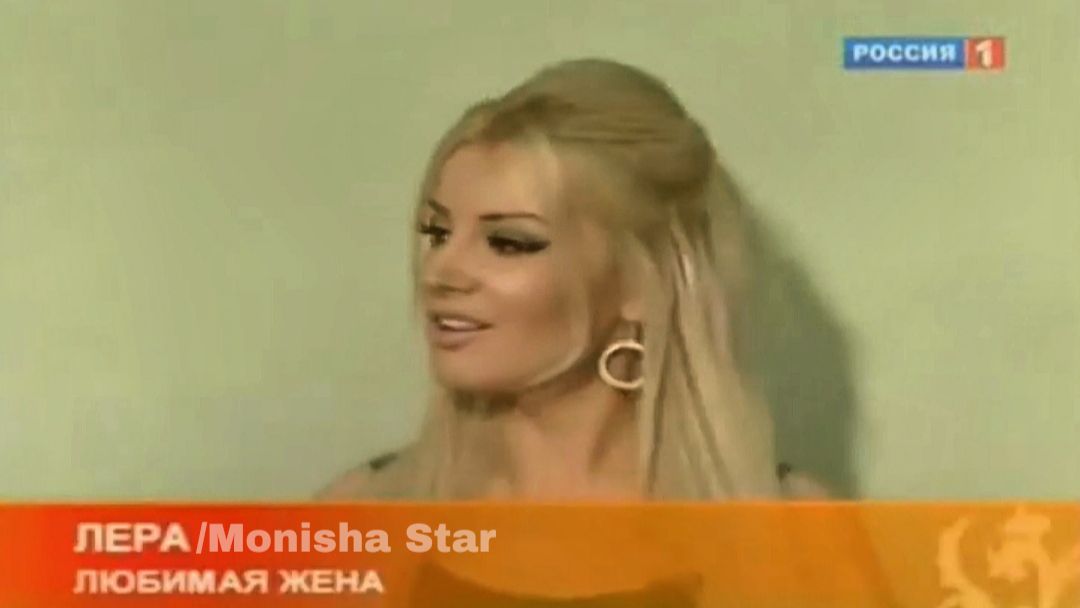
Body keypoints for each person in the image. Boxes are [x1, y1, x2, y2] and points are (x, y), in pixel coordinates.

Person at [319, 58, 828, 503]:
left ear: (640, 281)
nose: (438, 273)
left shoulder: (795, 534)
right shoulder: (359, 514)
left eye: (508, 242)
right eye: (437, 233)